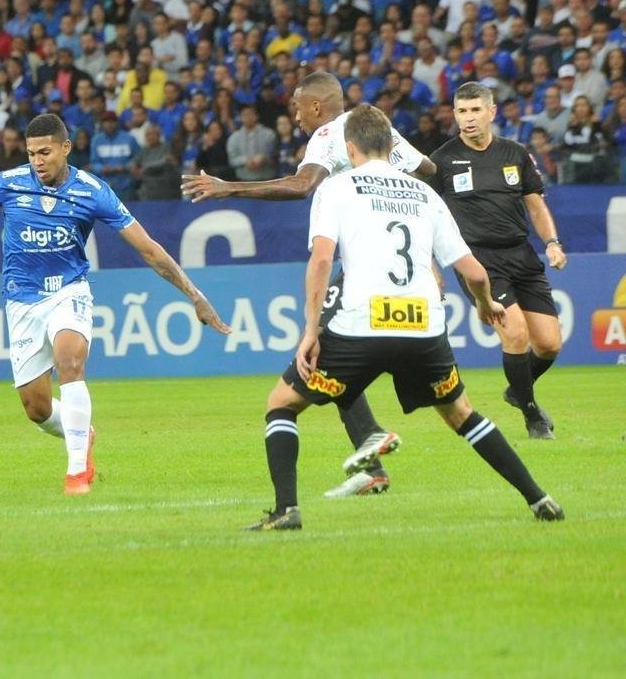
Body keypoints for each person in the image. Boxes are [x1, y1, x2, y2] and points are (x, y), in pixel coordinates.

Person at [0, 113, 230, 495]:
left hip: (68, 290)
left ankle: (77, 472)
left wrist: (195, 295)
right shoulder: (6, 184)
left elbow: (149, 249)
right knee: (37, 408)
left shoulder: (93, 191)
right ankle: (82, 432)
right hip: (21, 299)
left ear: (66, 148)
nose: (37, 160)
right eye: (31, 154)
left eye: (45, 152)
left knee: (70, 362)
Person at [246, 104, 563, 531]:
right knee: (463, 415)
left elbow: (322, 260)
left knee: (281, 405)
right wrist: (486, 304)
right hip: (423, 326)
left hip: (362, 324)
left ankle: (287, 511)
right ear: (393, 145)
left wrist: (311, 328)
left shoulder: (337, 188)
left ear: (349, 146)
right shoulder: (425, 194)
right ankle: (538, 496)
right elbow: (472, 270)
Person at [181, 71, 438, 499]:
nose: (296, 117)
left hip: (362, 266)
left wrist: (230, 188)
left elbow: (302, 186)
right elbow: (428, 170)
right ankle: (371, 460)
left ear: (317, 106)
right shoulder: (375, 126)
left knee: (316, 355)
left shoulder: (328, 132)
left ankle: (365, 444)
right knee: (331, 359)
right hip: (401, 266)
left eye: (298, 108)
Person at [430, 83, 566, 439]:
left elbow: (536, 205)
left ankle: (516, 389)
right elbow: (423, 214)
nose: (468, 118)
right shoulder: (442, 160)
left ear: (491, 112)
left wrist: (551, 242)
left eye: (475, 110)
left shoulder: (515, 153)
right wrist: (432, 264)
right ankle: (532, 416)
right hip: (479, 261)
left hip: (521, 254)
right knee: (516, 333)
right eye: (462, 111)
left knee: (550, 344)